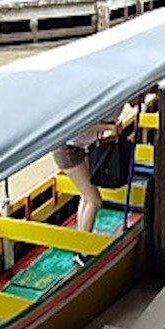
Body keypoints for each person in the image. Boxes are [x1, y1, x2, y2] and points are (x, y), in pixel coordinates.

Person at [52, 113, 121, 264]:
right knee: (94, 200)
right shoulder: (97, 104)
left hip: (78, 149)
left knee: (86, 196)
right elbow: (82, 125)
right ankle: (83, 252)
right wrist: (108, 127)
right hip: (67, 151)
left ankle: (81, 240)